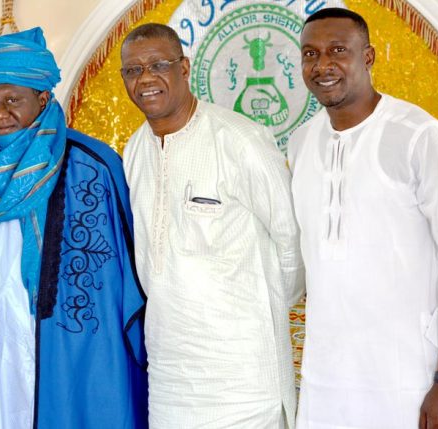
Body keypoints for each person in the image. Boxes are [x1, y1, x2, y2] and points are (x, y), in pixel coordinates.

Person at [0, 27, 148, 429]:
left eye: (13, 100)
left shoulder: (91, 168)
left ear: (43, 98)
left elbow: (121, 290)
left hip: (58, 366)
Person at [289, 8, 438, 429]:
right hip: (327, 380)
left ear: (369, 57)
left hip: (408, 379)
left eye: (338, 50)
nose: (322, 65)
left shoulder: (418, 136)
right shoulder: (301, 142)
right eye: (310, 54)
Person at [120, 23, 304, 428]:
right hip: (170, 374)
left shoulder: (240, 140)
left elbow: (292, 241)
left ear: (184, 68)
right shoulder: (134, 151)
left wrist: (261, 307)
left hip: (242, 377)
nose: (145, 79)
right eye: (132, 71)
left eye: (158, 65)